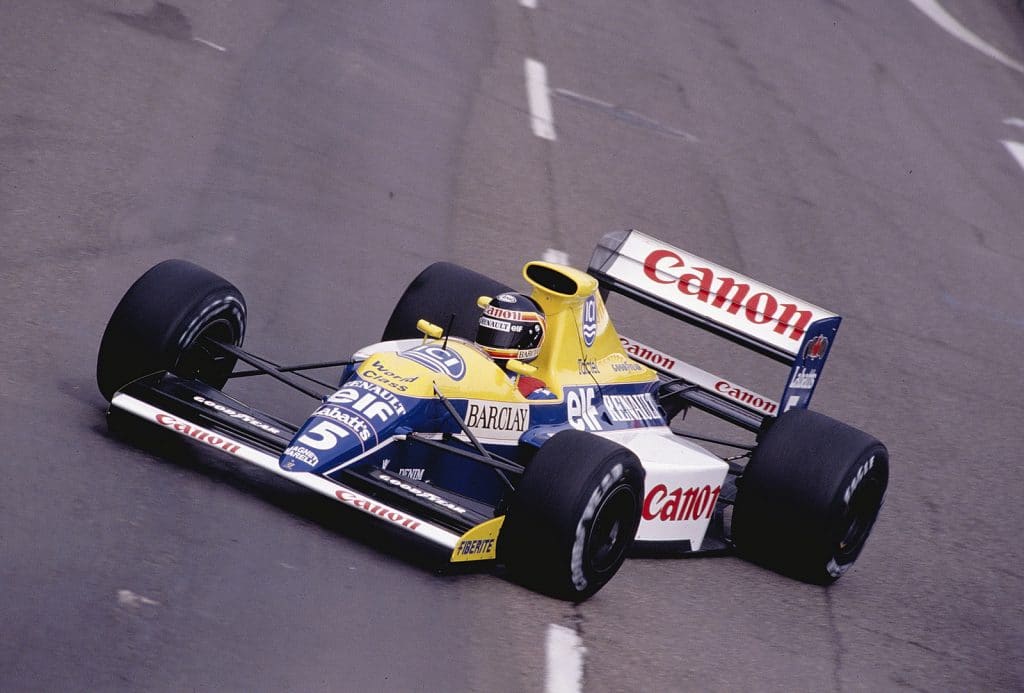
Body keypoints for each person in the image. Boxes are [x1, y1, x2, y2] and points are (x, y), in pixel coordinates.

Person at [475, 293, 555, 399]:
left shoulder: (535, 396)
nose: (493, 340)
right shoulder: (470, 363)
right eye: (489, 331)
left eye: (505, 335)